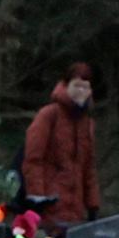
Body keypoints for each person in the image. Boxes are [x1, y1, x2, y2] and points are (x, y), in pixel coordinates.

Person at [20, 63, 102, 225]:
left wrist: (93, 205)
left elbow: (88, 169)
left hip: (75, 212)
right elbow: (33, 159)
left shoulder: (87, 124)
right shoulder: (49, 115)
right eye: (77, 86)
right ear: (66, 86)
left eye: (85, 87)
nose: (81, 92)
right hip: (49, 208)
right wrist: (37, 198)